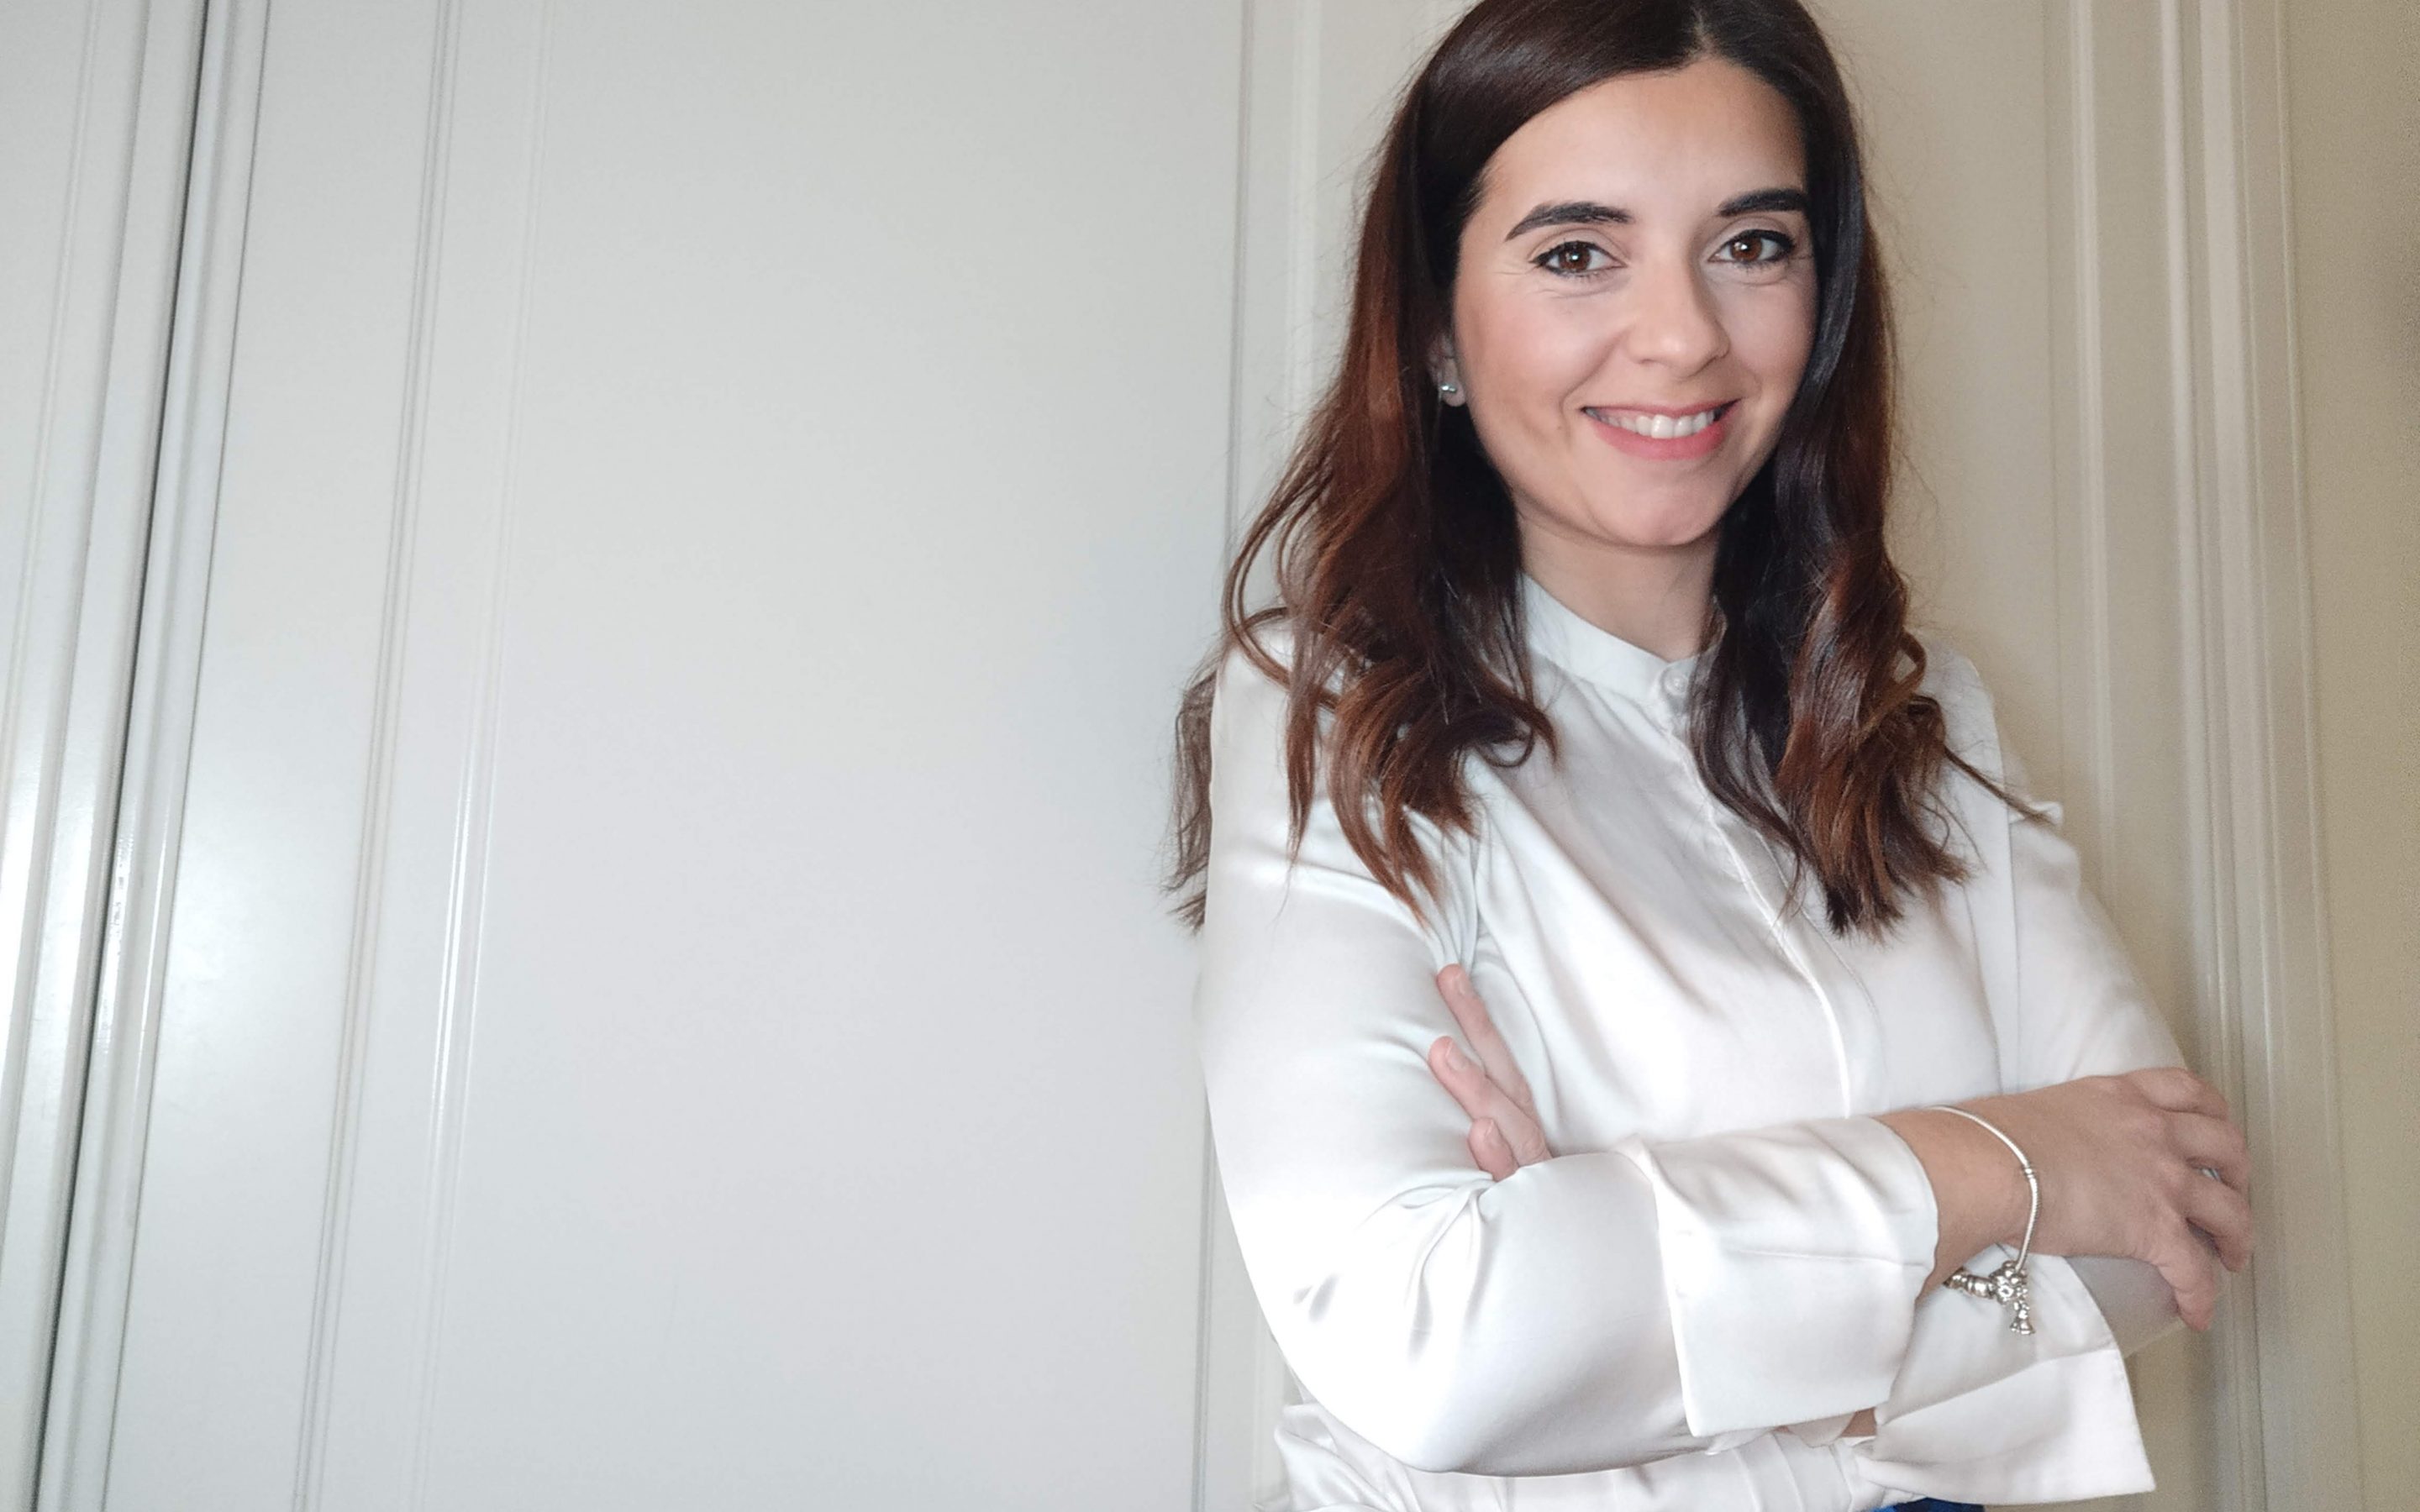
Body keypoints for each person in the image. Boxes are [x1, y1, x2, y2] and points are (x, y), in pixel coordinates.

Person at [1166, 2, 2256, 1509]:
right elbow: (1435, 1348)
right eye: (1576, 253)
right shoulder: (1337, 707)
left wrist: (1630, 1264)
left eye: (1751, 244)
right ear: (1433, 324)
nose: (1683, 335)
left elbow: (2173, 1219)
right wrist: (1995, 1166)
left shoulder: (1923, 716)